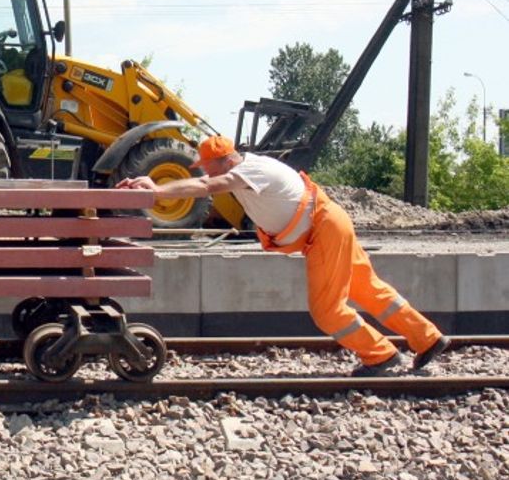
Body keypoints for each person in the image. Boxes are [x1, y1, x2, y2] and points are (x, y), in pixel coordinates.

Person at [116, 135, 451, 377]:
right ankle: (427, 338)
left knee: (328, 311)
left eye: (207, 166)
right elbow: (206, 182)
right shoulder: (247, 169)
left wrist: (157, 191)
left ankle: (380, 356)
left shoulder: (248, 172)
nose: (206, 172)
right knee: (368, 289)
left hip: (324, 230)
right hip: (329, 223)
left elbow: (206, 187)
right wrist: (154, 183)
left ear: (224, 160)